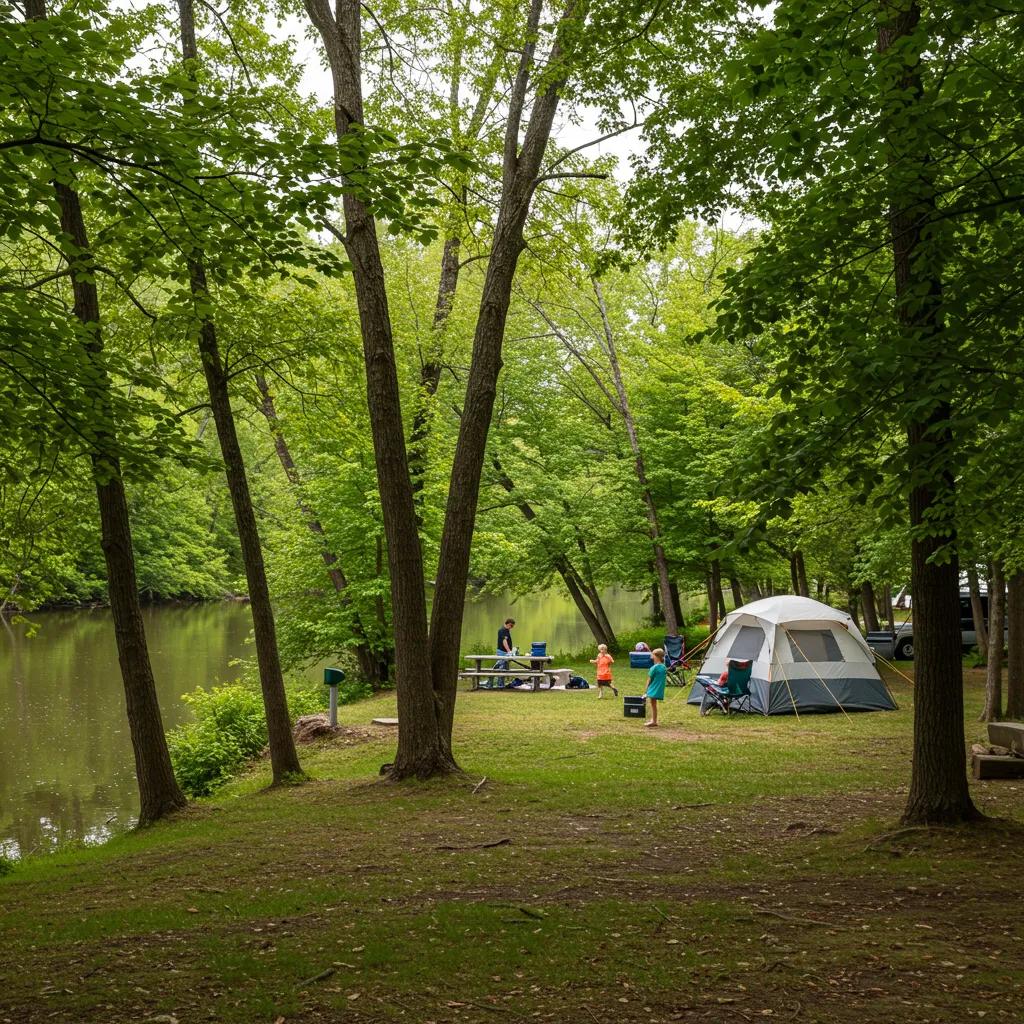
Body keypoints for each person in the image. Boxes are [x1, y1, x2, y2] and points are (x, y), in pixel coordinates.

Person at [645, 647, 667, 727]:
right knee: (653, 704)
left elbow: (649, 680)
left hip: (653, 688)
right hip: (659, 688)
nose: (651, 655)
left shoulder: (654, 668)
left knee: (653, 704)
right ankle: (653, 720)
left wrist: (646, 690)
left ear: (656, 656)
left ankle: (654, 721)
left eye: (653, 654)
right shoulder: (663, 667)